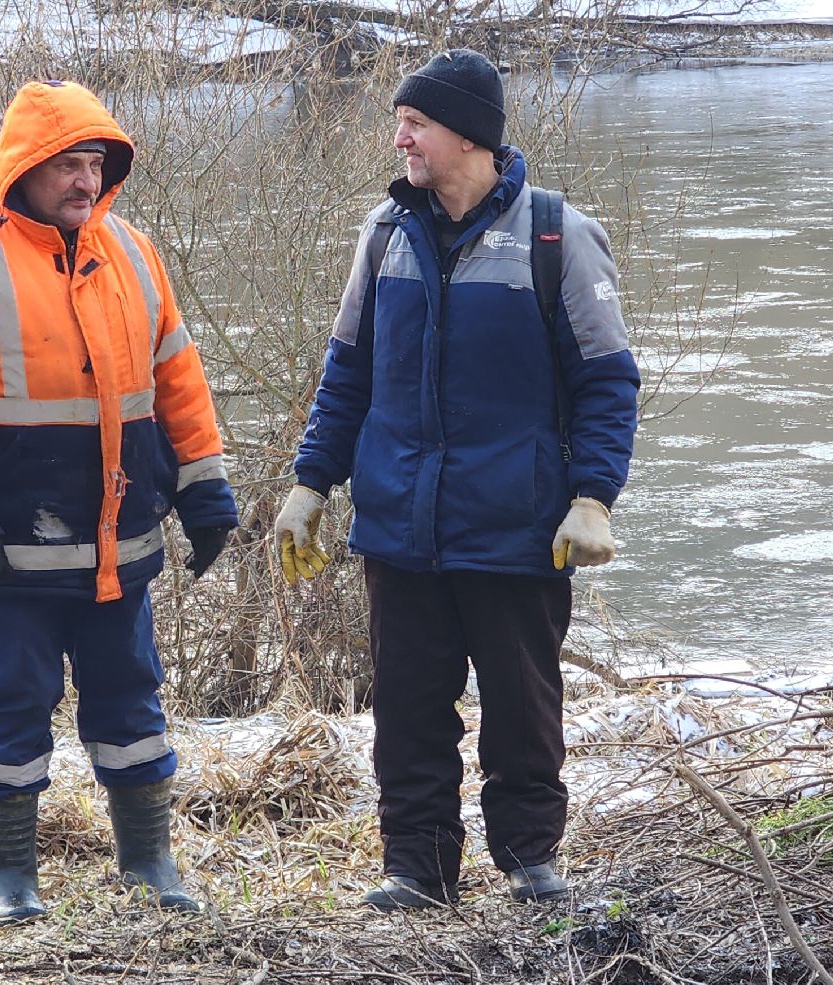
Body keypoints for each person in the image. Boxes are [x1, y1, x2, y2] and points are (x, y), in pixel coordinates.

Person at [274, 49, 639, 910]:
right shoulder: (383, 233)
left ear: (468, 136)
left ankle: (529, 861)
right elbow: (347, 373)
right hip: (399, 519)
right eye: (400, 122)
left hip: (515, 519)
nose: (398, 137)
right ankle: (417, 869)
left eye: (415, 123)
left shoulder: (557, 237)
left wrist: (592, 497)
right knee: (406, 709)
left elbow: (607, 379)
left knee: (521, 703)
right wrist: (311, 482)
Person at [0, 80, 237, 923]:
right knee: (13, 698)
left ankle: (148, 860)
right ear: (23, 170)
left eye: (95, 165)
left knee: (132, 697)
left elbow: (177, 379)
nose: (85, 182)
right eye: (67, 166)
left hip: (120, 545)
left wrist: (205, 487)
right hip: (7, 550)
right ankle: (8, 874)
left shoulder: (133, 252)